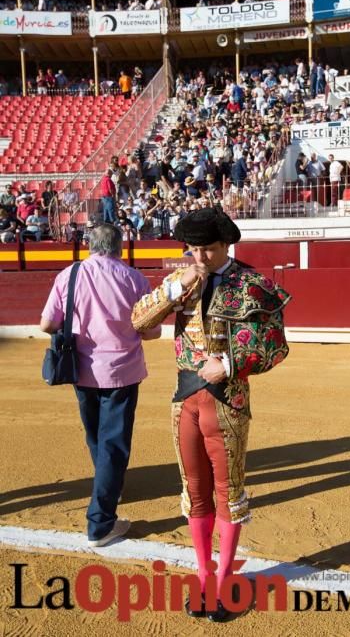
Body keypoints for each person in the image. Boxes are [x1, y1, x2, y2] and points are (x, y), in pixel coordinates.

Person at [131, 207, 290, 622]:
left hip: (228, 400)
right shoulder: (181, 281)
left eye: (207, 250)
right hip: (185, 400)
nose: (198, 258)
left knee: (228, 492)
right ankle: (203, 578)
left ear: (225, 245)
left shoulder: (253, 284)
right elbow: (137, 320)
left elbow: (276, 346)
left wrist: (232, 364)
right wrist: (175, 288)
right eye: (192, 250)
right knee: (194, 490)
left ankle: (224, 581)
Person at [40, 224, 161, 546]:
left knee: (96, 434)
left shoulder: (69, 275)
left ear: (90, 246)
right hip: (121, 369)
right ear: (120, 247)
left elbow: (47, 323)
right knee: (114, 443)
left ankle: (110, 486)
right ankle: (100, 524)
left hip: (81, 369)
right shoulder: (135, 279)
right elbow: (150, 331)